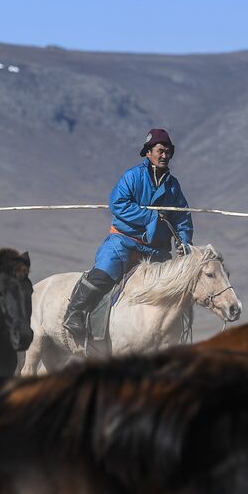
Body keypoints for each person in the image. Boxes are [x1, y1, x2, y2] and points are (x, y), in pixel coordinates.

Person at [62, 128, 194, 349]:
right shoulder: (132, 177)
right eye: (161, 151)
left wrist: (183, 241)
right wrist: (151, 216)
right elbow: (118, 204)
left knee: (171, 291)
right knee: (103, 273)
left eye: (168, 152)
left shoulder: (173, 186)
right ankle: (74, 313)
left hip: (157, 252)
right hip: (124, 242)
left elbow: (182, 217)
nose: (165, 156)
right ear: (148, 152)